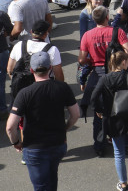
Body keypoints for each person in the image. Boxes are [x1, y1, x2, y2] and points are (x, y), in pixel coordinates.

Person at [6, 51, 79, 191]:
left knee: (40, 186)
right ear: (50, 68)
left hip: (34, 148)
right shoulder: (63, 88)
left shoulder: (24, 93)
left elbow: (10, 127)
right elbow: (75, 114)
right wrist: (64, 129)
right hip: (57, 144)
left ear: (31, 70)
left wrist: (16, 142)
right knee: (52, 181)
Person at [91, 51, 128, 191]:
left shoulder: (105, 79)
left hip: (114, 120)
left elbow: (93, 97)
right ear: (123, 62)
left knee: (118, 153)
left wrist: (100, 110)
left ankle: (123, 184)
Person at [79, 7, 128, 157]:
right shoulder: (118, 32)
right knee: (121, 109)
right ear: (107, 17)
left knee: (100, 112)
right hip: (116, 73)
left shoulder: (87, 35)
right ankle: (126, 143)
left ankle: (99, 145)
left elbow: (82, 59)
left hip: (98, 75)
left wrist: (92, 61)